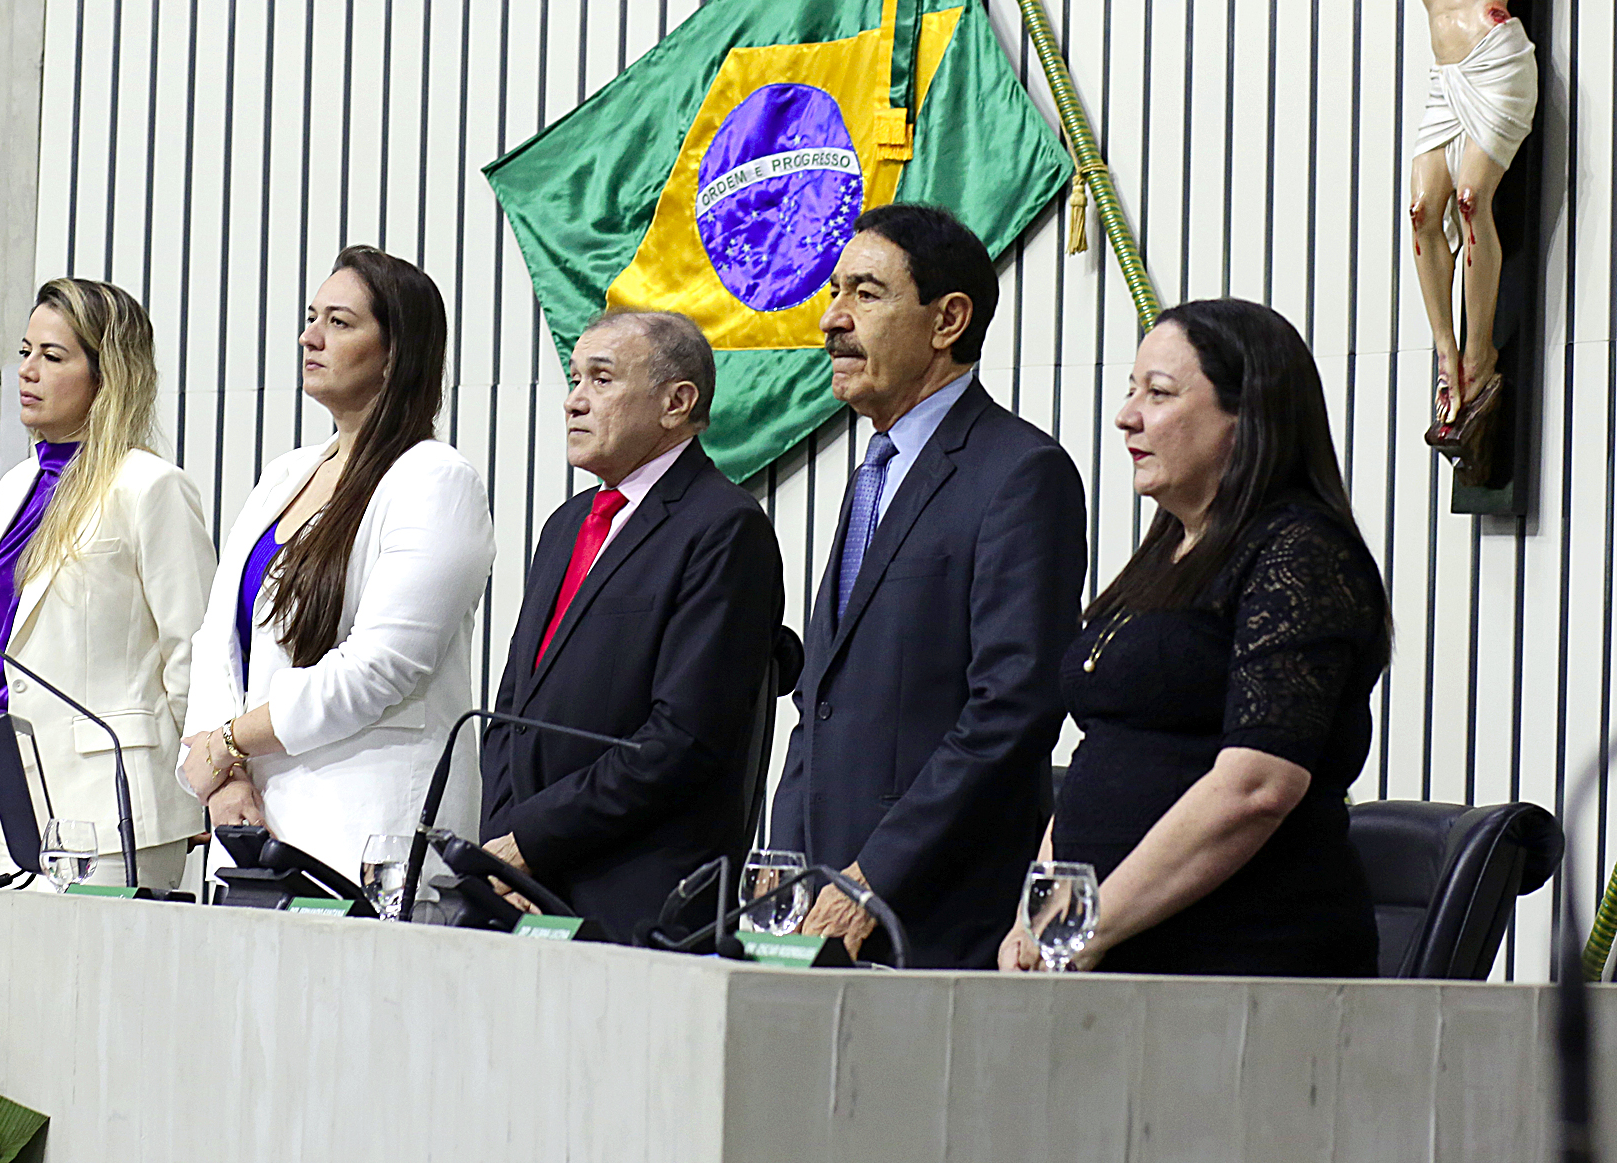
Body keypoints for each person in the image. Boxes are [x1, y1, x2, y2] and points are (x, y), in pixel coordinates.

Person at [1001, 299, 1390, 977]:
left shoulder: (1298, 551)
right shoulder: (1166, 550)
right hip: (1111, 953)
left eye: (1157, 393)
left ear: (1246, 420)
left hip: (1238, 961)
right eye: (1130, 390)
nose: (1127, 415)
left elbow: (1257, 784)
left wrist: (1084, 926)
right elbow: (1107, 753)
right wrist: (1038, 918)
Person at [769, 202, 1087, 968]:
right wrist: (780, 874)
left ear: (947, 320)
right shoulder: (873, 473)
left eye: (865, 293)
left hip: (933, 915)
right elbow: (822, 701)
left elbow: (1009, 708)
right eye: (834, 290)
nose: (831, 319)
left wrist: (872, 876)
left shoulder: (1018, 472)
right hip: (819, 902)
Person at [1289, 0, 1617, 463]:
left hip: (1496, 65)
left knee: (1470, 203)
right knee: (1419, 212)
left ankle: (1480, 354)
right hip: (1443, 80)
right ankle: (1446, 355)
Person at [177, 246, 494, 885]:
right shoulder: (287, 473)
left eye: (340, 322)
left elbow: (380, 667)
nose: (309, 336)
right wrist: (223, 782)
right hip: (251, 821)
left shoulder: (435, 479)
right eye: (311, 316)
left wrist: (231, 742)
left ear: (395, 353)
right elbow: (217, 640)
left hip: (366, 827)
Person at [479, 310, 785, 944]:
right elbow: (512, 710)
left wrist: (532, 841)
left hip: (637, 895)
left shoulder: (723, 527)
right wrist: (504, 851)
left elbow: (683, 739)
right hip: (526, 888)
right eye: (573, 379)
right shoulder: (564, 527)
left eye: (601, 379)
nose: (573, 401)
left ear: (676, 403)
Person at [0, 279, 215, 889]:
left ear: (107, 374)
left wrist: (206, 785)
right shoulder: (18, 485)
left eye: (53, 356)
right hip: (5, 795)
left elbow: (193, 656)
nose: (28, 372)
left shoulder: (149, 486)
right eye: (24, 352)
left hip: (114, 806)